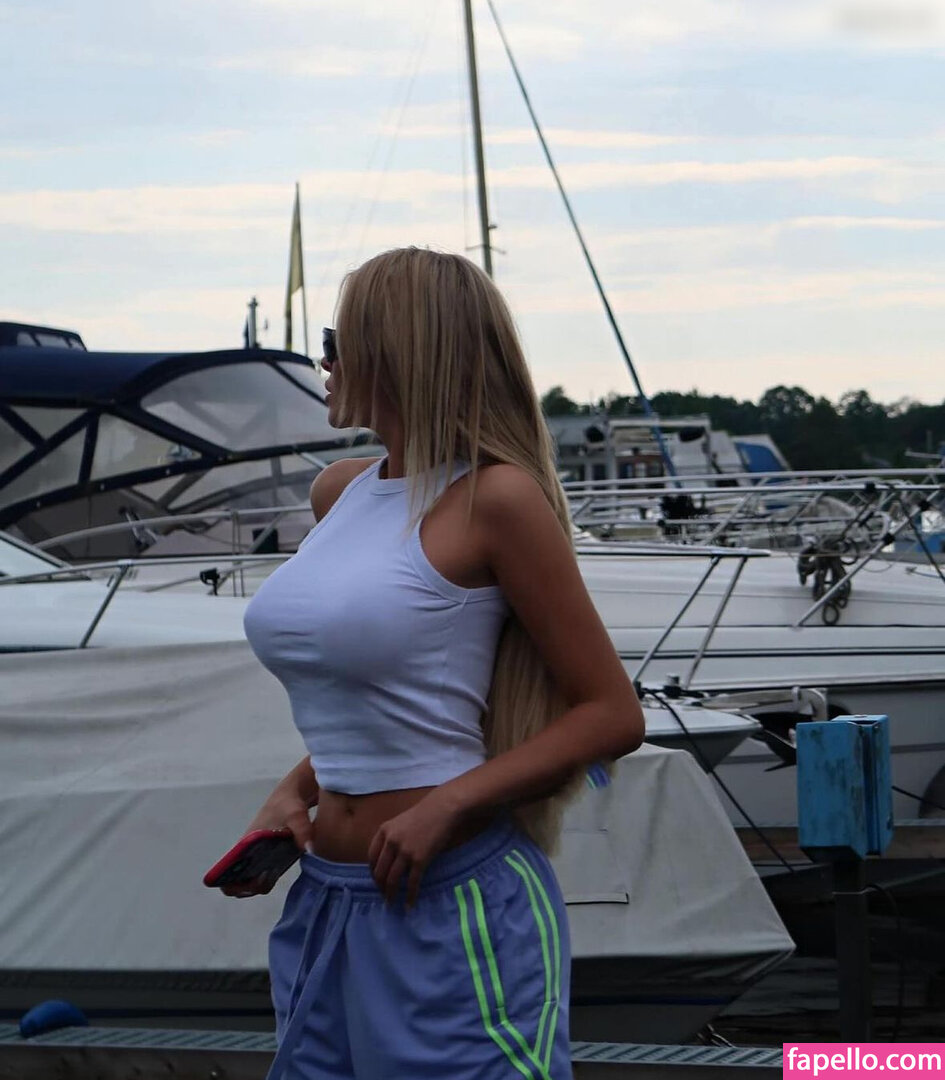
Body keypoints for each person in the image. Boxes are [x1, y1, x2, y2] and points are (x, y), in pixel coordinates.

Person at [233, 247, 645, 1080]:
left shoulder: (495, 500)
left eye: (336, 342)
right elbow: (378, 686)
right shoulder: (340, 492)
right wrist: (296, 789)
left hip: (454, 896)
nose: (323, 361)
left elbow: (611, 714)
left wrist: (449, 805)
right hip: (329, 896)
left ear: (398, 352)